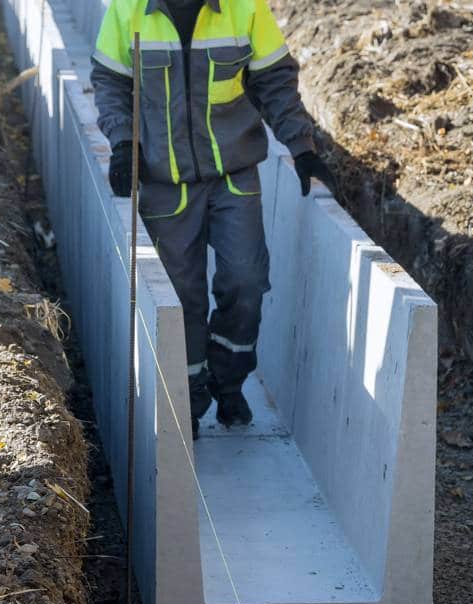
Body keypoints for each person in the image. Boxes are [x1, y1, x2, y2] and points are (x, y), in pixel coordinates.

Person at [89, 0, 330, 436]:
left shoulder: (244, 8)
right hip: (166, 181)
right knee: (182, 298)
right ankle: (191, 398)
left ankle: (229, 382)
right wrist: (124, 143)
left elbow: (275, 81)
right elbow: (109, 82)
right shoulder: (128, 10)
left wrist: (302, 147)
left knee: (246, 281)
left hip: (233, 176)